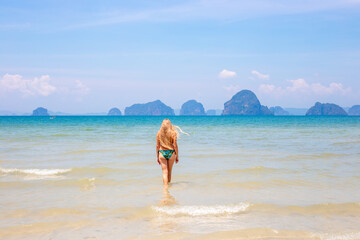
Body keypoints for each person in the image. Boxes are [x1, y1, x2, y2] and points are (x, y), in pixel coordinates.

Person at [156, 119, 186, 185]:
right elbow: (175, 145)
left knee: (164, 172)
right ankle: (168, 189)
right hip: (171, 152)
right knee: (169, 172)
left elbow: (157, 146)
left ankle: (165, 189)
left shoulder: (159, 133)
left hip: (162, 152)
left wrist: (157, 157)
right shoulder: (173, 133)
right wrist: (177, 156)